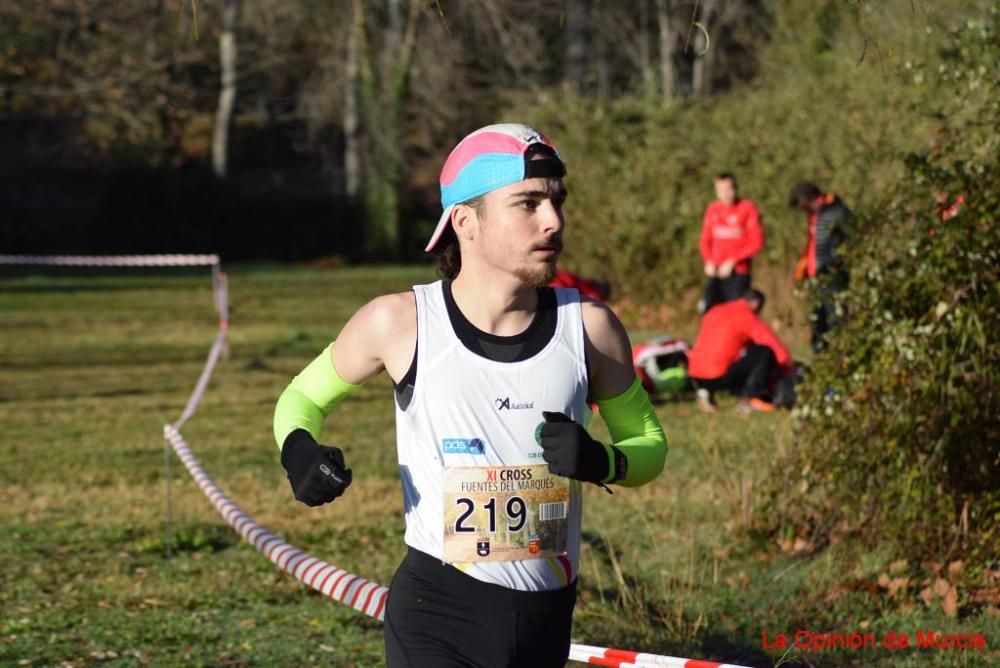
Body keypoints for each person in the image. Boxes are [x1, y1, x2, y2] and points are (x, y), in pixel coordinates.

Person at [272, 123, 668, 667]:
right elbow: (301, 399)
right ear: (465, 220)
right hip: (436, 613)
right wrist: (299, 452)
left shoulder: (590, 328)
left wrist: (604, 460)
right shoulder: (400, 323)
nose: (553, 221)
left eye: (557, 202)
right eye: (527, 203)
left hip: (547, 621)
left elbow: (649, 444)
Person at [687, 288, 792, 413]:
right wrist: (788, 368)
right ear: (755, 303)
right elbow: (772, 344)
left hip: (696, 373)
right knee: (764, 352)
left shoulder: (715, 310)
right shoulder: (746, 315)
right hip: (719, 375)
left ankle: (705, 391)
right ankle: (749, 398)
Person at [788, 181, 852, 351]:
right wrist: (803, 268)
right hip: (817, 278)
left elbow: (851, 237)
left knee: (836, 318)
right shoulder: (815, 215)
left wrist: (836, 261)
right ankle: (822, 355)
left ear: (808, 199)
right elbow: (813, 245)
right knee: (818, 320)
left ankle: (841, 353)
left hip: (833, 275)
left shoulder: (836, 211)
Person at [698, 172, 764, 314]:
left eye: (728, 189)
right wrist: (708, 261)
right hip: (716, 273)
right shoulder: (712, 209)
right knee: (710, 313)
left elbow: (756, 242)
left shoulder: (747, 208)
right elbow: (705, 241)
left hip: (738, 273)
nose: (725, 194)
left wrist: (733, 261)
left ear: (735, 189)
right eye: (721, 190)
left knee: (736, 316)